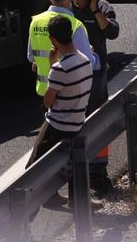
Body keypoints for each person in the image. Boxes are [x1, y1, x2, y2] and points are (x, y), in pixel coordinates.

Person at [26, 15, 94, 208]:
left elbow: (48, 102)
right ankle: (77, 200)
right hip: (77, 122)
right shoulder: (86, 61)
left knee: (33, 169)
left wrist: (52, 66)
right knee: (74, 161)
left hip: (56, 126)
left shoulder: (59, 69)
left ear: (53, 40)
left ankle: (30, 207)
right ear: (71, 34)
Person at [70, 0, 120, 194]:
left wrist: (94, 10)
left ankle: (98, 174)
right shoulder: (66, 8)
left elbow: (112, 33)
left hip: (96, 78)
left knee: (97, 123)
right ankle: (73, 173)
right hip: (72, 77)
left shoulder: (102, 6)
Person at [27, 0, 98, 97]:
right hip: (68, 92)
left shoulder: (36, 21)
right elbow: (88, 63)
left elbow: (31, 58)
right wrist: (92, 53)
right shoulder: (75, 25)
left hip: (45, 91)